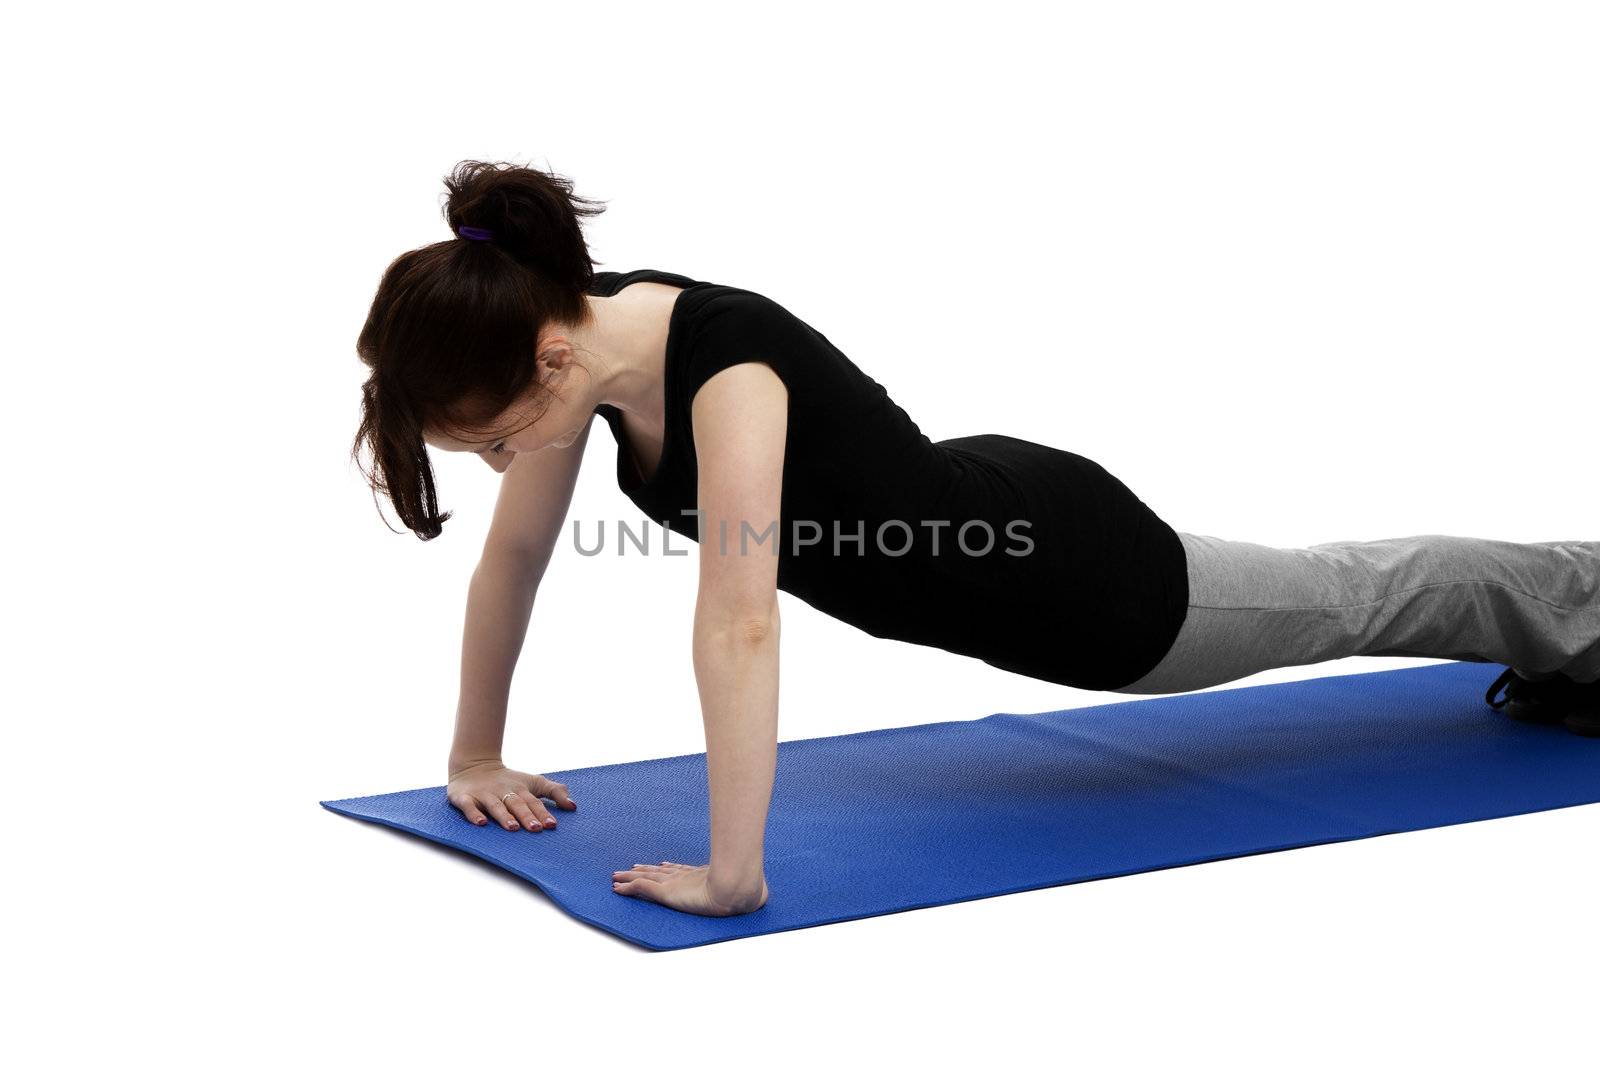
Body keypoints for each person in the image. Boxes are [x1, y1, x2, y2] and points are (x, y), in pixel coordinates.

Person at [351, 160, 1600, 917]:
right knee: (1349, 587)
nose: (511, 462)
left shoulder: (721, 364)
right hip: (997, 522)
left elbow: (738, 616)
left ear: (547, 356)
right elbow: (513, 559)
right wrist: (474, 751)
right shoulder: (580, 350)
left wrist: (735, 870)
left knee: (1349, 598)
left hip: (1086, 588)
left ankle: (1585, 607)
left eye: (498, 437)